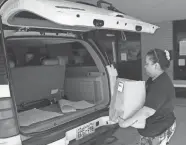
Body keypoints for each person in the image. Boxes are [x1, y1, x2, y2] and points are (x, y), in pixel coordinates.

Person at [118, 48, 176, 145]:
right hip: (159, 125)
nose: (144, 66)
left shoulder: (160, 85)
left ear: (156, 65)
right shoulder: (154, 79)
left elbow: (147, 111)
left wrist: (125, 123)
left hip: (158, 129)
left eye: (147, 64)